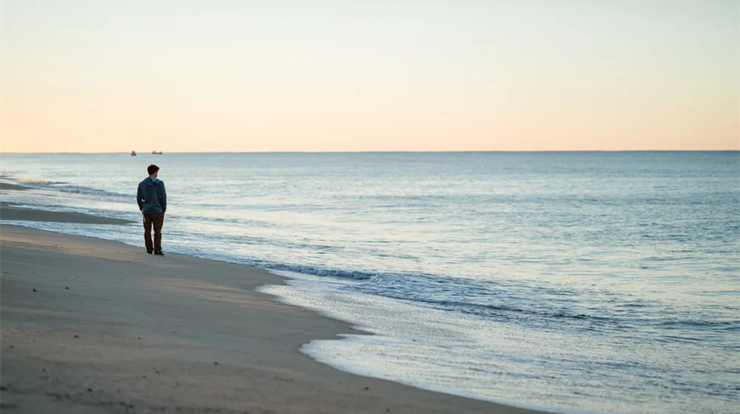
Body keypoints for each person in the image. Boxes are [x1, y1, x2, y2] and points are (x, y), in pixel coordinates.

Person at [137, 164, 167, 256]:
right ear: (155, 172)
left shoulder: (142, 184)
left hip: (147, 210)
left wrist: (142, 207)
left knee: (147, 231)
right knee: (157, 231)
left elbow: (139, 198)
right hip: (157, 210)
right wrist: (163, 208)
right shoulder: (160, 183)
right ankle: (157, 250)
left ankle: (149, 249)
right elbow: (163, 197)